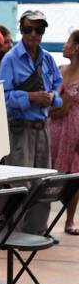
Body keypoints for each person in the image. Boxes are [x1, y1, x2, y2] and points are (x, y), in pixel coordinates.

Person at [0, 10, 63, 234]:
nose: (33, 34)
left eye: (39, 29)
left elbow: (58, 88)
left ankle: (36, 232)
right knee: (18, 183)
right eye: (28, 29)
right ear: (21, 30)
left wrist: (51, 97)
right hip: (20, 128)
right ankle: (13, 233)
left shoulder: (47, 59)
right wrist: (31, 97)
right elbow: (3, 95)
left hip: (42, 128)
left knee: (43, 182)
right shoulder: (11, 59)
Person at [49, 30, 79, 235]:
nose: (64, 44)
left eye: (68, 41)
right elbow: (53, 106)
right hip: (55, 129)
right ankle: (43, 219)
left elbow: (63, 106)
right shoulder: (59, 69)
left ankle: (69, 220)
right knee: (50, 172)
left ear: (76, 47)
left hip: (74, 130)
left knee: (74, 174)